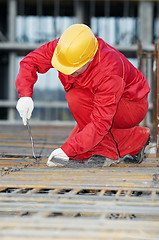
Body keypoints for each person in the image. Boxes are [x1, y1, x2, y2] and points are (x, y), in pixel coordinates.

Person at [16, 24, 150, 168]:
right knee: (77, 154)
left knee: (76, 99)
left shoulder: (109, 70)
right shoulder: (65, 49)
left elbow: (100, 123)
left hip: (130, 105)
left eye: (73, 68)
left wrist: (67, 149)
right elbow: (30, 62)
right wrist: (25, 95)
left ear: (89, 59)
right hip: (96, 102)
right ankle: (137, 139)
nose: (67, 72)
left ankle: (106, 152)